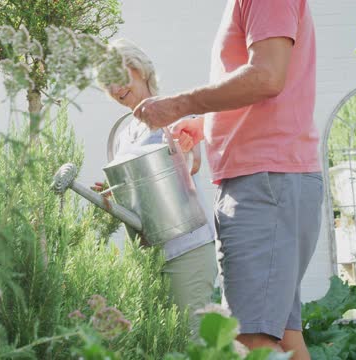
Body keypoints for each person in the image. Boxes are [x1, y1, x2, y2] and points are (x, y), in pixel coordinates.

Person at [132, 1, 322, 359]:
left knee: (251, 340)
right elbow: (267, 83)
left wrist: (178, 104)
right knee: (283, 336)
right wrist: (206, 125)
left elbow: (266, 76)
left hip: (263, 184)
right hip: (273, 180)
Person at [94, 38, 218, 335]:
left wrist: (185, 147)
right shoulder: (125, 135)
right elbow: (137, 194)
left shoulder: (171, 110)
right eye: (107, 85)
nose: (115, 89)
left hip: (187, 245)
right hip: (152, 253)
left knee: (195, 341)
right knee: (166, 344)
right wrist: (114, 192)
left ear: (138, 69)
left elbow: (193, 160)